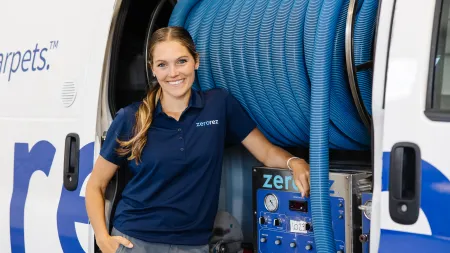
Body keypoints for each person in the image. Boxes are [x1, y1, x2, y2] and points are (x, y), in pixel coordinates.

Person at [85, 26, 310, 253]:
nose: (173, 73)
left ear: (196, 61)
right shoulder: (130, 118)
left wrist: (295, 162)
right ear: (152, 69)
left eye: (181, 61)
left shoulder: (219, 105)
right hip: (135, 241)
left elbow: (267, 152)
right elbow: (96, 185)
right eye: (162, 64)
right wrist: (103, 239)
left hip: (194, 245)